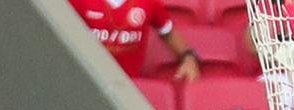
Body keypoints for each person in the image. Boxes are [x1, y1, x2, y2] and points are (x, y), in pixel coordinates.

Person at [69, 0, 201, 82]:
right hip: (86, 81)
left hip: (130, 89)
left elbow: (168, 33)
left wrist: (188, 58)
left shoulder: (149, 2)